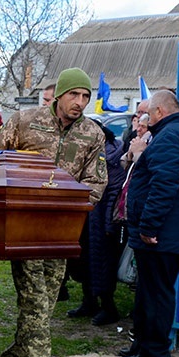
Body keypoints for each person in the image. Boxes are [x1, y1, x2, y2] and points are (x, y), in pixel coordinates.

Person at [0, 67, 107, 357]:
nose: (80, 102)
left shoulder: (92, 134)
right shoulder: (25, 121)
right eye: (74, 95)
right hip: (24, 229)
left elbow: (97, 181)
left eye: (85, 96)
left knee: (45, 304)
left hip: (61, 233)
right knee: (35, 303)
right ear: (59, 95)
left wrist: (74, 208)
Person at [120, 89, 179, 357]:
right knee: (149, 291)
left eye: (148, 113)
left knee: (156, 293)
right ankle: (142, 346)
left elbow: (164, 186)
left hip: (161, 235)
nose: (145, 118)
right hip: (168, 233)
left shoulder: (170, 136)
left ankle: (155, 353)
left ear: (159, 111)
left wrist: (149, 226)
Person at [68, 125, 127, 326]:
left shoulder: (112, 155)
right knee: (84, 260)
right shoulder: (85, 152)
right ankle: (89, 302)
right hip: (85, 217)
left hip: (102, 221)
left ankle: (109, 308)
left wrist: (109, 224)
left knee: (103, 264)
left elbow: (115, 190)